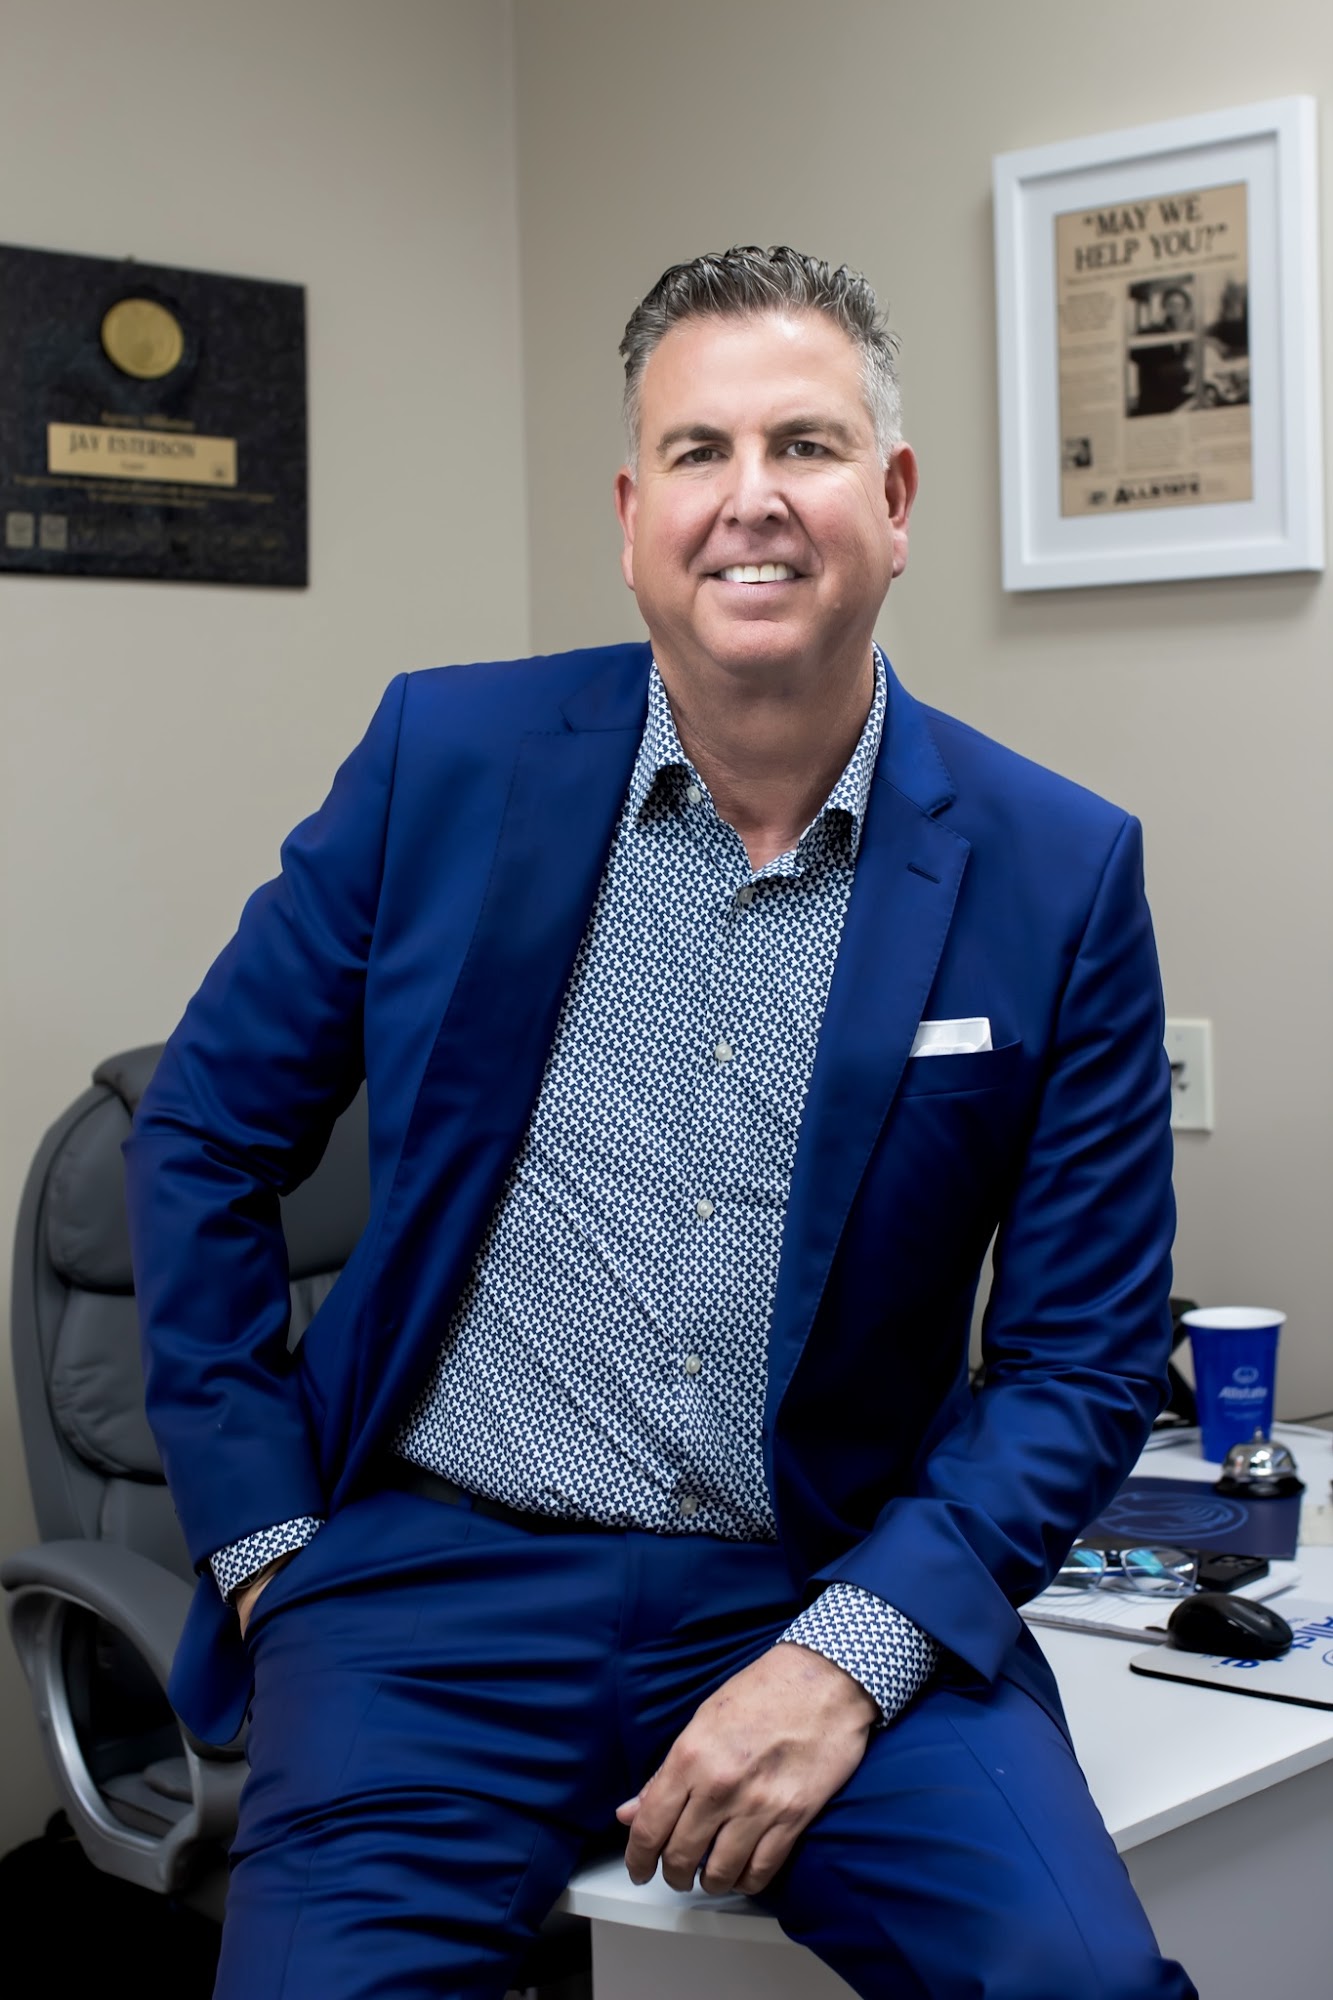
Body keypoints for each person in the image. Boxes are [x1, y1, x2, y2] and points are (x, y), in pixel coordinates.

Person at [125, 246, 1195, 1999]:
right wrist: (263, 1547)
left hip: (823, 1573)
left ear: (893, 501)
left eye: (805, 445)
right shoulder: (443, 760)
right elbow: (200, 1136)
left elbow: (1078, 1357)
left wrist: (849, 1657)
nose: (748, 499)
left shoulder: (1054, 868)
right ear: (634, 519)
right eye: (698, 451)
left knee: (1072, 1981)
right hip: (431, 1585)